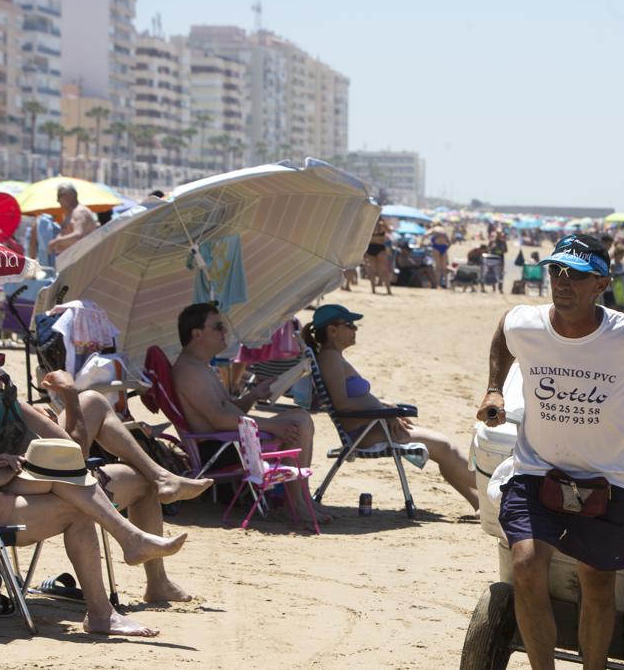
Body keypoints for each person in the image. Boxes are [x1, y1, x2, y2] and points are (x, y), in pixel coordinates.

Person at [478, 234, 624, 670]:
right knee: (524, 563)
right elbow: (503, 331)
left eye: (576, 274)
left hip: (610, 480)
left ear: (601, 283)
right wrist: (494, 388)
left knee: (596, 585)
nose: (562, 281)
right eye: (555, 270)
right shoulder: (528, 323)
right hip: (537, 471)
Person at [0, 336, 186, 636]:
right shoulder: (0, 405)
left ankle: (126, 555)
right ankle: (111, 590)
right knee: (78, 501)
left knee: (66, 478)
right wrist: (69, 397)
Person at [302, 304, 478, 511]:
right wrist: (385, 414)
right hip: (366, 432)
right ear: (332, 330)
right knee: (446, 448)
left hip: (371, 426)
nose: (355, 329)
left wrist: (384, 407)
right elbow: (342, 403)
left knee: (443, 450)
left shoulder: (332, 357)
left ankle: (480, 503)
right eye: (349, 325)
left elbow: (349, 400)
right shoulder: (330, 358)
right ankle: (499, 492)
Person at [171, 303, 327, 526]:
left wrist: (253, 395)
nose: (224, 331)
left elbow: (226, 409)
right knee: (298, 420)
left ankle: (301, 500)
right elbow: (217, 419)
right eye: (217, 327)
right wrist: (270, 426)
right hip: (219, 449)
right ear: (197, 334)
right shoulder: (189, 371)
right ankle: (296, 504)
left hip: (229, 441)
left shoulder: (200, 366)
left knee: (298, 417)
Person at [47, 183, 100, 256]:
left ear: (70, 195)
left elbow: (78, 234)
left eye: (59, 196)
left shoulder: (80, 212)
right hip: (69, 259)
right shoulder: (70, 213)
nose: (58, 200)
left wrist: (56, 241)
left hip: (81, 259)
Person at [364, 217, 392, 295]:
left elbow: (367, 238)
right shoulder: (381, 225)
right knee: (382, 270)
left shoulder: (369, 225)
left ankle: (374, 290)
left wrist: (374, 238)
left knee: (375, 270)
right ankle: (388, 290)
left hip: (372, 248)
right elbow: (388, 233)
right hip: (379, 247)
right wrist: (380, 238)